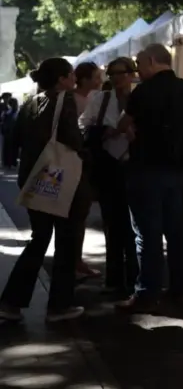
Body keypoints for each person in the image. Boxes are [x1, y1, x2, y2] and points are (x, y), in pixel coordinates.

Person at [0, 58, 88, 323]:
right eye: (70, 74)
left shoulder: (29, 102)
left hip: (33, 177)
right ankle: (60, 305)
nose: (74, 78)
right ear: (61, 79)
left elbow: (14, 140)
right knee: (66, 240)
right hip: (60, 178)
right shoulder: (65, 101)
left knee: (39, 239)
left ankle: (11, 302)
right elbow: (73, 139)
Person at [115, 44, 183, 312]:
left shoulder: (144, 91)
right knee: (176, 230)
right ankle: (180, 287)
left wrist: (131, 133)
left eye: (140, 64)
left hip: (145, 167)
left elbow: (123, 124)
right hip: (177, 168)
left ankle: (147, 291)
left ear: (152, 61)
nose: (137, 70)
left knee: (147, 233)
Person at [79, 57, 139, 296]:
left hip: (135, 166)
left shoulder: (141, 98)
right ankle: (114, 277)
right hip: (108, 167)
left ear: (131, 74)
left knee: (134, 226)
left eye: (121, 73)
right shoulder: (100, 99)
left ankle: (135, 276)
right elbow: (83, 126)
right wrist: (106, 132)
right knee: (112, 224)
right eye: (111, 74)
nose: (116, 78)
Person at [72, 62, 103, 282]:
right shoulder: (75, 101)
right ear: (83, 79)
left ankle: (75, 260)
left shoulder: (92, 98)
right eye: (95, 77)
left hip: (83, 163)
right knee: (75, 214)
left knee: (78, 215)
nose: (99, 81)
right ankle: (73, 261)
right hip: (75, 163)